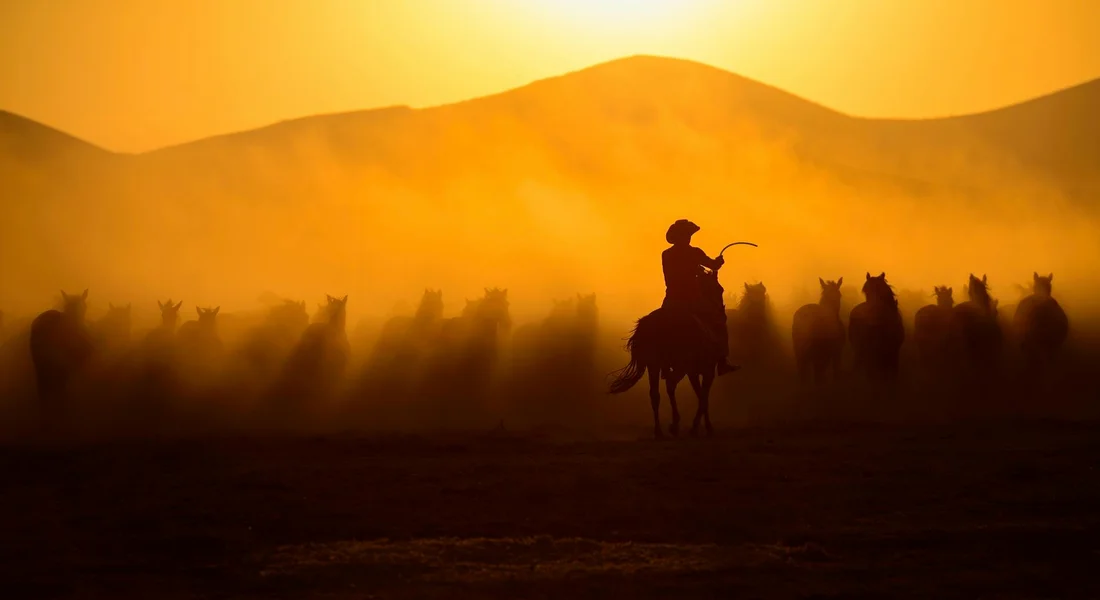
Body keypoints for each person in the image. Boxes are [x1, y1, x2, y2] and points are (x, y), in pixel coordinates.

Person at [661, 219, 738, 376]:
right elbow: (713, 266)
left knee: (663, 328)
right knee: (719, 322)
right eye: (688, 235)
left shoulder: (666, 254)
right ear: (685, 237)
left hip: (671, 300)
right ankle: (722, 362)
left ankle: (664, 366)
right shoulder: (695, 252)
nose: (689, 238)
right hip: (692, 300)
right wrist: (719, 261)